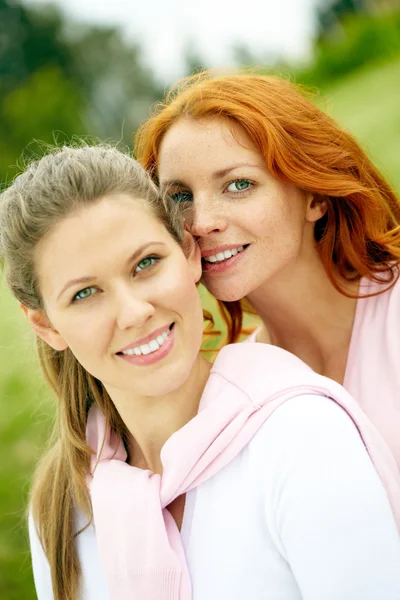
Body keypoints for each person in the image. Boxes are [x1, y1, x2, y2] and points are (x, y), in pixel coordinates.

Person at [1, 145, 400, 600]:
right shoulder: (60, 509)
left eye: (146, 264)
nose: (134, 312)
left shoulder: (300, 436)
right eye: (85, 293)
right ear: (46, 324)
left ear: (190, 254)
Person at [135, 71, 400, 471]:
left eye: (238, 185)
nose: (202, 221)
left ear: (314, 197)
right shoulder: (229, 391)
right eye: (181, 197)